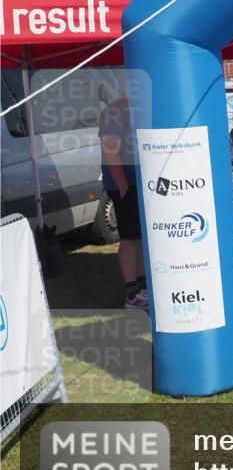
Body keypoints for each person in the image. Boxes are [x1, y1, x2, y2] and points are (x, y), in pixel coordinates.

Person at [99, 94, 147, 310]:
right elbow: (111, 153)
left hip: (138, 184)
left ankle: (142, 287)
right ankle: (132, 293)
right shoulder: (114, 112)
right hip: (126, 185)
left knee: (139, 238)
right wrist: (123, 186)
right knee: (129, 238)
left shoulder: (140, 108)